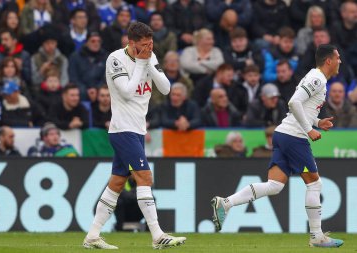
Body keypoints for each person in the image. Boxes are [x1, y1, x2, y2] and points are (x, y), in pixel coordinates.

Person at [211, 44, 344, 248]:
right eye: (338, 58)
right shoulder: (316, 79)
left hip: (283, 134)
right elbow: (293, 103)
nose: (340, 61)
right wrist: (309, 129)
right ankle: (317, 236)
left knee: (275, 186)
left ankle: (226, 203)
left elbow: (302, 107)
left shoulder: (316, 78)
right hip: (294, 136)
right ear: (329, 60)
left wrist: (318, 122)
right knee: (314, 184)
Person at [83, 22, 186, 249]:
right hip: (122, 129)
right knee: (145, 178)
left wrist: (148, 61)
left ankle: (92, 235)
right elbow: (128, 93)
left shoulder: (149, 56)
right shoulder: (116, 59)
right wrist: (141, 63)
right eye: (144, 45)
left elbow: (166, 88)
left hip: (138, 129)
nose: (149, 48)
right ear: (131, 43)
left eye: (151, 44)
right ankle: (157, 235)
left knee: (117, 183)